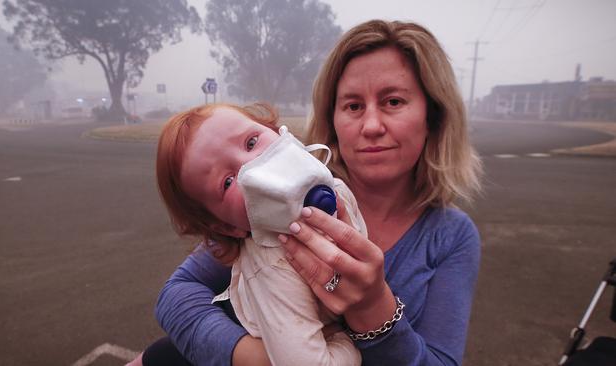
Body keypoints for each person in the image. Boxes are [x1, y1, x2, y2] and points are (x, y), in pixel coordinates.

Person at [135, 19, 482, 366]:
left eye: (393, 101)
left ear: (432, 115)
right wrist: (251, 357)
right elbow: (175, 296)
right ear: (332, 119)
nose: (372, 126)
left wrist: (372, 307)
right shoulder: (274, 204)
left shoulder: (450, 236)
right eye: (353, 106)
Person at [146, 102, 366, 366]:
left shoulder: (337, 189)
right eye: (227, 182)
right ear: (227, 227)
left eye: (251, 142)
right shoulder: (271, 266)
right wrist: (349, 341)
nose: (254, 166)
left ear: (279, 132)